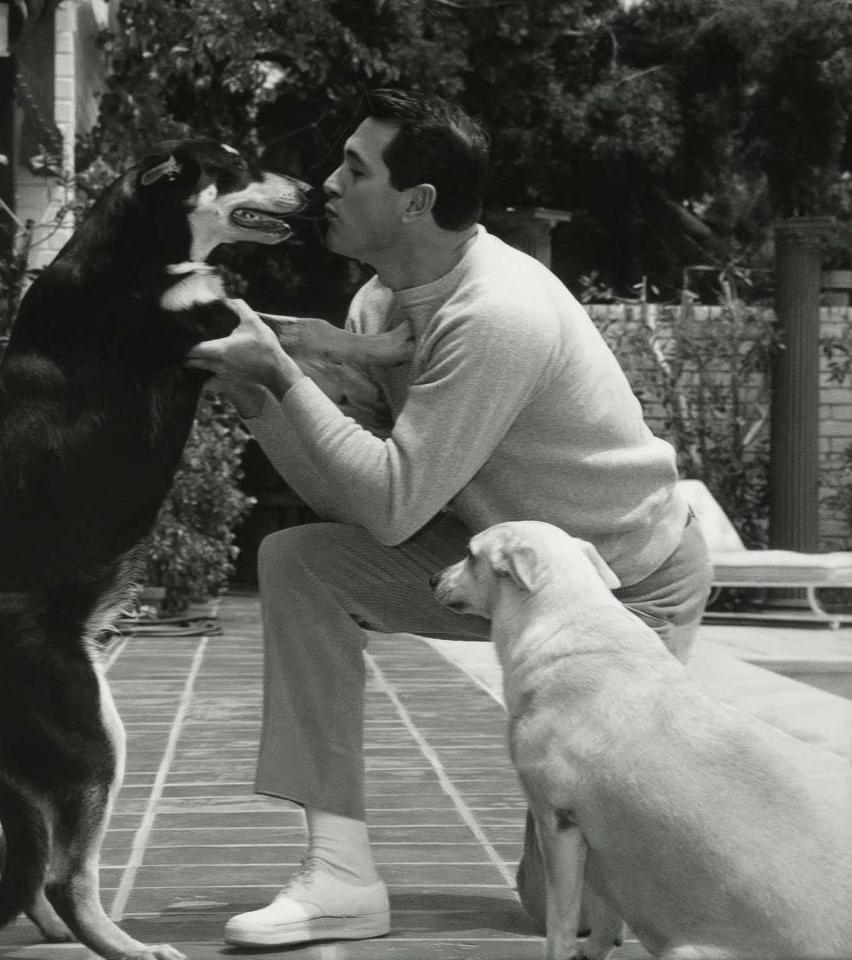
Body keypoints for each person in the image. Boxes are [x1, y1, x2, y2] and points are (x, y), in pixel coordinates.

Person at [184, 88, 713, 949]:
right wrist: (261, 393)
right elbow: (349, 499)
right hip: (498, 559)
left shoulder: (496, 313)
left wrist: (282, 376)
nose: (326, 183)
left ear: (417, 202)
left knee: (569, 911)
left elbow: (388, 503)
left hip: (623, 588)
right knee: (300, 560)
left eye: (354, 170)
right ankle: (342, 878)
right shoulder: (377, 308)